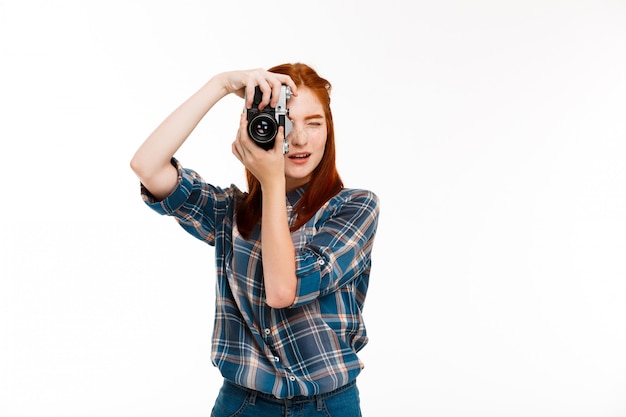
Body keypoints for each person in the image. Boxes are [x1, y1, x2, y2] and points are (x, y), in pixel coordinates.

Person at [130, 63, 380, 417]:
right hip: (243, 404)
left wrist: (272, 180)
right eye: (286, 123)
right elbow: (147, 166)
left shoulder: (355, 207)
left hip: (329, 406)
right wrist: (219, 85)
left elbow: (283, 290)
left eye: (315, 122)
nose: (299, 139)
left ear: (330, 130)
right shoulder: (232, 212)